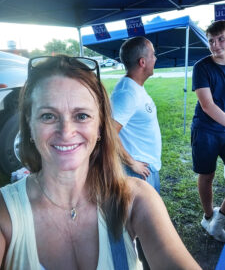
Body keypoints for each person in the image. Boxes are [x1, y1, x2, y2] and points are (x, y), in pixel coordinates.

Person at [0, 55, 201, 270]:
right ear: (29, 125)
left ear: (100, 127)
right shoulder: (6, 212)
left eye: (82, 116)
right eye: (48, 116)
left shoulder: (136, 199)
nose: (66, 132)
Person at [111, 36, 161, 193]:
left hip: (147, 167)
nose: (156, 58)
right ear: (142, 62)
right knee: (142, 217)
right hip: (137, 171)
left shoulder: (134, 87)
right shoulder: (127, 94)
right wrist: (131, 163)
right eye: (153, 55)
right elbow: (109, 132)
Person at [191, 20, 225, 242]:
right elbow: (207, 105)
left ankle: (220, 219)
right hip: (206, 130)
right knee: (207, 175)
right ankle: (207, 216)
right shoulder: (201, 67)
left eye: (221, 39)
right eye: (211, 41)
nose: (216, 45)